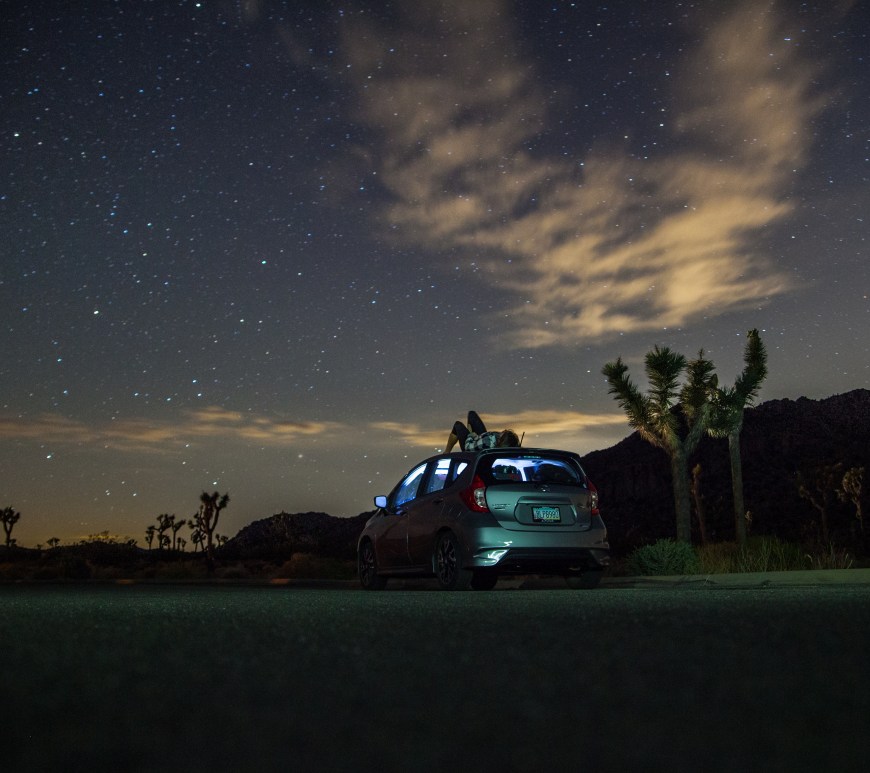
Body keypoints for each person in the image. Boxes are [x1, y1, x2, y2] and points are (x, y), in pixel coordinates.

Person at [445, 410, 520, 453]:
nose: (500, 433)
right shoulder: (501, 441)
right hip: (481, 439)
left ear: (501, 440)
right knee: (472, 414)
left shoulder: (487, 443)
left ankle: (446, 452)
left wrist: (471, 435)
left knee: (458, 425)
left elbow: (468, 447)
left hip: (470, 445)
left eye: (502, 434)